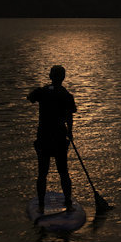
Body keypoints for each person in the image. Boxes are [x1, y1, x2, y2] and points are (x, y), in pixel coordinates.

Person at [27, 65, 76, 213]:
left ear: (50, 76)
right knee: (63, 171)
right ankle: (68, 200)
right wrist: (70, 132)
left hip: (44, 138)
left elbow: (30, 98)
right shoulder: (67, 95)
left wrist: (43, 90)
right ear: (63, 78)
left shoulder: (42, 92)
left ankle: (41, 202)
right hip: (60, 138)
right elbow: (69, 116)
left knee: (42, 172)